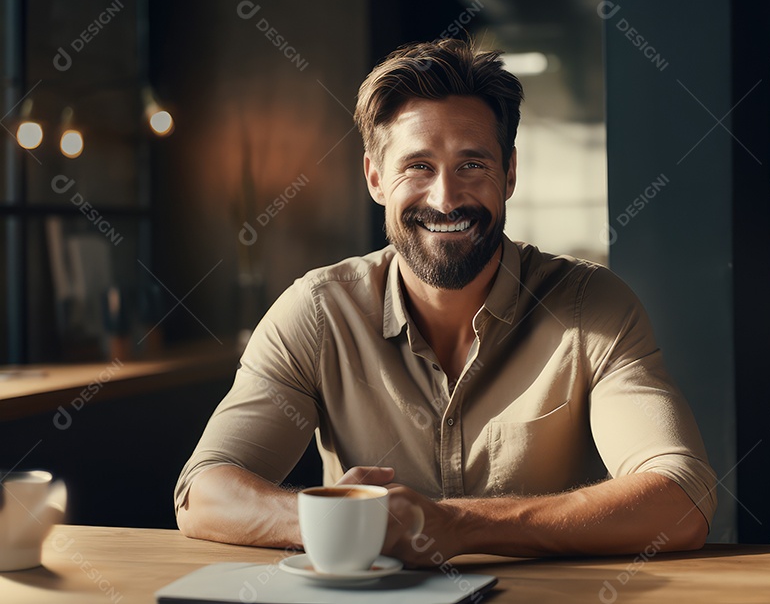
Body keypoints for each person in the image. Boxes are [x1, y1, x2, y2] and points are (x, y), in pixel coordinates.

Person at [175, 38, 717, 566]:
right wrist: (334, 519)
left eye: (472, 165)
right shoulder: (318, 312)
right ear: (375, 178)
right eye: (418, 166)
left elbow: (683, 499)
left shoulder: (590, 308)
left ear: (508, 174)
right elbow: (202, 492)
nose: (445, 198)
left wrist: (460, 525)